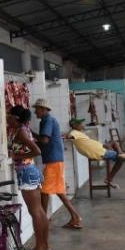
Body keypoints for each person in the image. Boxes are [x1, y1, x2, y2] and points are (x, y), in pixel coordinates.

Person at [32, 98, 82, 230]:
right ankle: (75, 217)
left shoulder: (47, 120)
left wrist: (30, 136)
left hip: (53, 160)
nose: (35, 112)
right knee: (59, 191)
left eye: (36, 109)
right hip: (55, 160)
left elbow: (44, 140)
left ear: (43, 110)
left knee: (44, 190)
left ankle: (43, 219)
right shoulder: (46, 120)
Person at [7, 105, 49, 250]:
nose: (7, 118)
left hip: (26, 172)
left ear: (15, 118)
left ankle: (39, 248)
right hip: (31, 171)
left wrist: (17, 157)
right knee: (39, 210)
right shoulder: (23, 129)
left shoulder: (21, 132)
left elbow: (37, 150)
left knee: (35, 211)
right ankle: (45, 246)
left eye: (9, 116)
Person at [67, 118, 125, 189]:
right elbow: (69, 136)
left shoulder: (79, 132)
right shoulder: (74, 132)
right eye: (80, 124)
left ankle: (120, 154)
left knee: (114, 143)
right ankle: (120, 157)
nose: (82, 125)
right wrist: (69, 133)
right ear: (75, 125)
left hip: (101, 147)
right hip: (99, 152)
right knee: (120, 159)